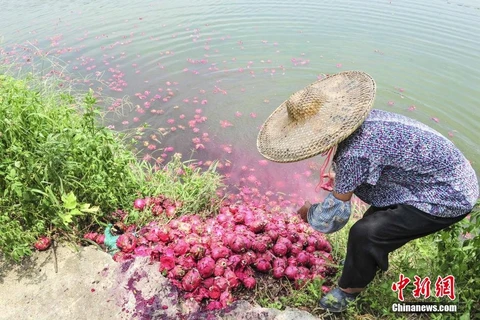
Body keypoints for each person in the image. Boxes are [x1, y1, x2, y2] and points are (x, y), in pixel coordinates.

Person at [256, 71, 479, 313]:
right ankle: (364, 262)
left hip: (448, 195)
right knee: (374, 223)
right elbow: (379, 159)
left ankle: (348, 293)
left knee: (366, 233)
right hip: (438, 175)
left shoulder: (352, 154)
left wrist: (308, 212)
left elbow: (333, 220)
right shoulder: (365, 121)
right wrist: (344, 179)